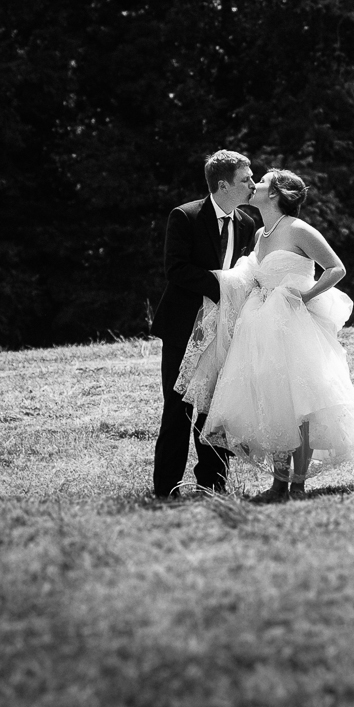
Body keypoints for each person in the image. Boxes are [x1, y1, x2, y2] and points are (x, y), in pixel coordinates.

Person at [202, 169, 354, 502]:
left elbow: (336, 267)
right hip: (262, 323)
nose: (253, 185)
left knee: (301, 403)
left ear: (275, 193)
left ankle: (297, 482)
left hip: (294, 325)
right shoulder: (260, 235)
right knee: (274, 399)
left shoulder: (298, 229)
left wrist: (307, 297)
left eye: (262, 181)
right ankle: (279, 480)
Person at [150, 150, 260, 499]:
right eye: (246, 179)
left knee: (218, 406)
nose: (253, 184)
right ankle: (166, 488)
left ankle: (212, 483)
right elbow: (176, 270)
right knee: (178, 405)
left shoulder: (246, 224)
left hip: (227, 326)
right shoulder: (185, 216)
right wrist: (223, 285)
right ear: (223, 184)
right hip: (186, 325)